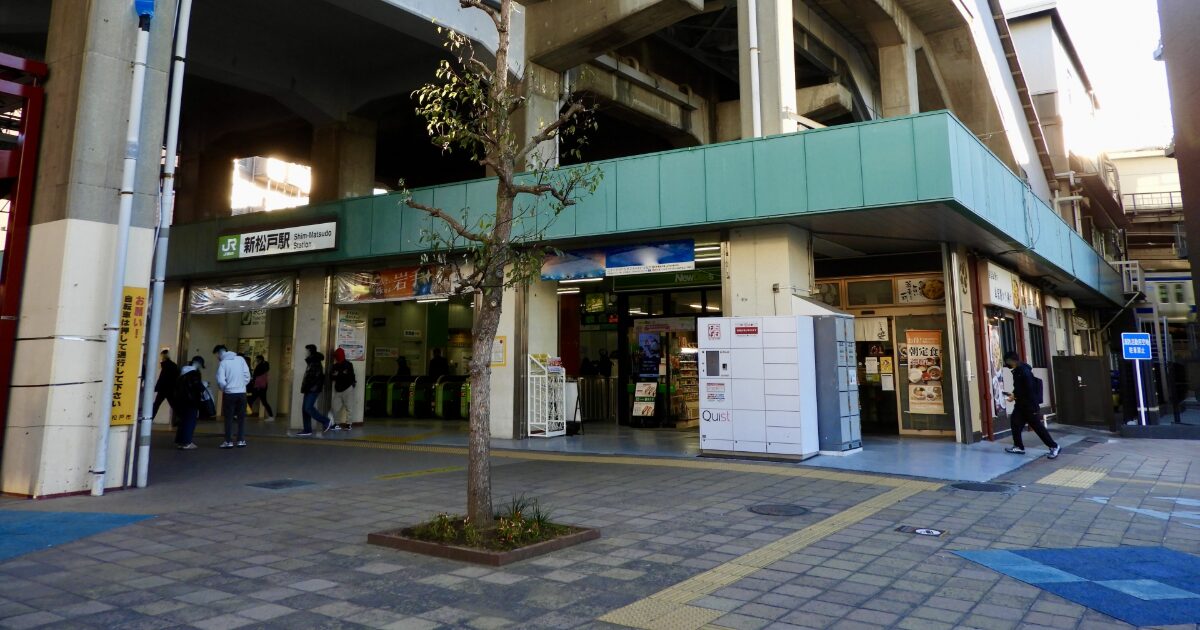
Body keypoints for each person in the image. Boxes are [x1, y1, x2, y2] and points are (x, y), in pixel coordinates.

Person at [1003, 351, 1059, 458]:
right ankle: (1018, 446)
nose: (1007, 364)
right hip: (1021, 405)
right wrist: (1014, 395)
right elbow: (1020, 388)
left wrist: (1015, 396)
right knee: (1015, 422)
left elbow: (1029, 389)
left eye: (1007, 361)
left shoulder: (1023, 371)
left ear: (1011, 360)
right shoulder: (1019, 370)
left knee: (1037, 427)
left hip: (1029, 405)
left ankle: (1054, 446)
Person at [214, 344, 251, 449]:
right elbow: (247, 375)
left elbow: (221, 380)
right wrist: (242, 385)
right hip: (242, 393)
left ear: (219, 353)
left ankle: (228, 441)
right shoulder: (240, 359)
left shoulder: (223, 363)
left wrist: (225, 388)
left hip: (229, 394)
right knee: (241, 418)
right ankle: (241, 440)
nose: (217, 357)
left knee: (229, 418)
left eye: (216, 355)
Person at [298, 344, 337, 436]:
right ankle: (307, 429)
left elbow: (317, 378)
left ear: (310, 351)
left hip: (313, 389)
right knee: (304, 409)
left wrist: (309, 387)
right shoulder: (311, 362)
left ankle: (326, 421)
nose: (305, 353)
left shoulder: (315, 362)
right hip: (309, 389)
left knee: (308, 408)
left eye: (306, 351)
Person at [171, 356, 206, 450]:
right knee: (190, 422)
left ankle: (180, 441)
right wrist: (204, 386)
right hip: (191, 401)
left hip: (181, 400)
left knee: (183, 421)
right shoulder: (194, 373)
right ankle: (187, 442)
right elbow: (198, 386)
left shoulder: (182, 371)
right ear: (198, 363)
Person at [330, 348, 358, 430]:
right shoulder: (335, 366)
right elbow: (331, 376)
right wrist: (341, 374)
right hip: (338, 389)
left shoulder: (348, 364)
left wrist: (338, 375)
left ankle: (349, 424)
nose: (336, 357)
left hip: (348, 388)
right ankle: (336, 423)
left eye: (337, 356)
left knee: (349, 407)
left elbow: (349, 376)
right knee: (335, 407)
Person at [152, 350, 180, 420]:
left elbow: (162, 378)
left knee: (156, 405)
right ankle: (182, 419)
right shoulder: (173, 365)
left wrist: (157, 387)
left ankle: (150, 419)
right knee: (174, 405)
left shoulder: (165, 366)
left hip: (163, 389)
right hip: (170, 389)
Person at [247, 355, 274, 421]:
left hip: (258, 387)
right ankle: (271, 416)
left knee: (250, 399)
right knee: (262, 401)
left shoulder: (261, 366)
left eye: (257, 360)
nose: (256, 361)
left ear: (259, 359)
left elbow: (256, 375)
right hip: (262, 387)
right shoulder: (265, 366)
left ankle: (246, 413)